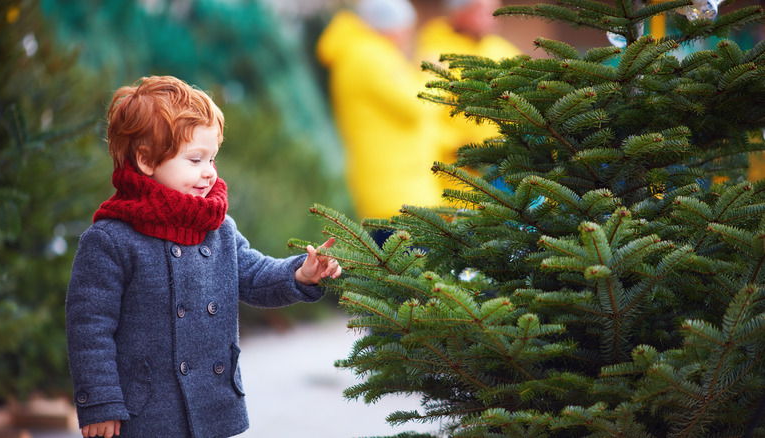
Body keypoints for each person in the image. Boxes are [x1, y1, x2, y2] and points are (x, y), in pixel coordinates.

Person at [65, 75, 342, 438]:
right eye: (195, 159)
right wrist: (100, 402)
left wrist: (299, 275)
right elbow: (89, 328)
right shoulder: (111, 240)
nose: (209, 171)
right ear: (146, 160)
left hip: (212, 405)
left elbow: (254, 274)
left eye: (212, 158)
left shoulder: (218, 227)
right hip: (145, 412)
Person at [316, 0, 445, 225]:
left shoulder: (367, 53)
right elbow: (418, 104)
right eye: (406, 29)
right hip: (396, 194)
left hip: (401, 189)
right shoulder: (368, 56)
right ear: (391, 28)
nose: (407, 38)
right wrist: (436, 74)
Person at [416, 0, 521, 172]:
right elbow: (423, 110)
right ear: (458, 13)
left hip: (510, 163)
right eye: (482, 11)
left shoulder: (502, 50)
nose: (493, 17)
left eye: (495, 9)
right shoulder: (435, 54)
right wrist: (457, 146)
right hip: (457, 171)